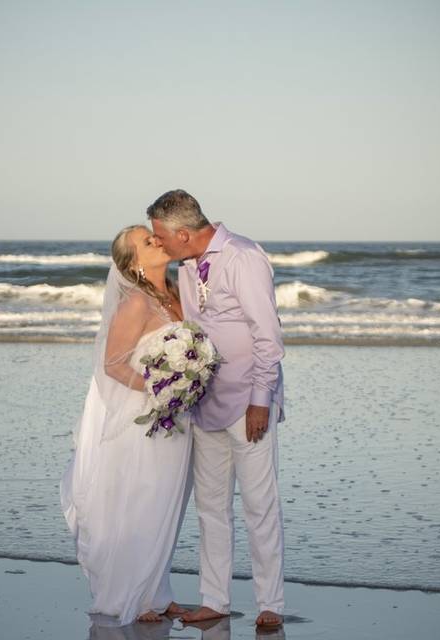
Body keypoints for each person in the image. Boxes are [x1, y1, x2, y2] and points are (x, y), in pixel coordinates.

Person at [147, 190, 286, 629]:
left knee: (259, 505)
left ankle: (271, 604)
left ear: (183, 233)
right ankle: (215, 598)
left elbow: (268, 337)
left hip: (248, 403)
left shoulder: (244, 258)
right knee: (210, 506)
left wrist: (260, 400)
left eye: (161, 238)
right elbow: (195, 327)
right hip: (204, 401)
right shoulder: (187, 265)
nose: (160, 245)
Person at [61, 224, 192, 626]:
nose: (156, 239)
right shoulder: (136, 303)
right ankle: (132, 597)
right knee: (142, 501)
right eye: (145, 240)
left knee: (170, 501)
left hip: (180, 416)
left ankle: (159, 590)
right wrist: (160, 390)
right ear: (133, 264)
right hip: (146, 418)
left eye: (152, 235)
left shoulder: (179, 293)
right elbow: (113, 364)